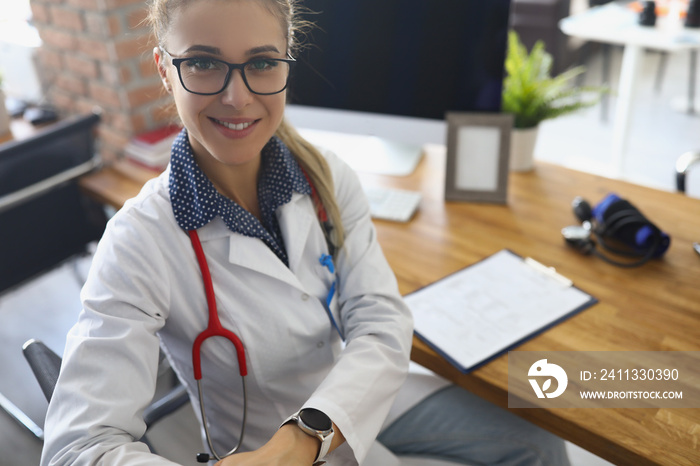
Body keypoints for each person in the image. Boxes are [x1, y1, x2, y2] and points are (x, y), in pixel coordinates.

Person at [41, 1, 571, 465]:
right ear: (164, 69)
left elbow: (380, 318)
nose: (236, 96)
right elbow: (77, 448)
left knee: (539, 445)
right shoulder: (139, 242)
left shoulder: (327, 176)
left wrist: (305, 438)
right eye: (202, 63)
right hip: (259, 444)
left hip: (352, 396)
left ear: (286, 65)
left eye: (262, 63)